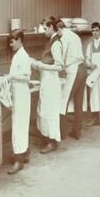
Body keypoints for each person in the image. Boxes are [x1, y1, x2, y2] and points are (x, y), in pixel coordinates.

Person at [31, 18, 64, 153]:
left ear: (51, 27)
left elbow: (59, 66)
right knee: (43, 110)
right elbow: (47, 62)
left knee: (50, 112)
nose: (44, 32)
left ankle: (52, 142)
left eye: (45, 29)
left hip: (51, 81)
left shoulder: (56, 44)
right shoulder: (50, 42)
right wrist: (36, 63)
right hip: (46, 80)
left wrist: (40, 65)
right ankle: (46, 138)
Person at [55, 19, 87, 139]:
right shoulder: (75, 35)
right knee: (78, 103)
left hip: (74, 71)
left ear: (59, 29)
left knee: (63, 103)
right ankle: (77, 132)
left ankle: (62, 134)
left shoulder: (63, 38)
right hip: (83, 69)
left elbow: (61, 60)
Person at [6, 29, 32, 174]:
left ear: (20, 40)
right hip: (18, 93)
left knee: (18, 126)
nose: (11, 44)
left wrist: (11, 76)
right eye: (10, 42)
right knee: (20, 125)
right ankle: (24, 154)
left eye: (13, 41)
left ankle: (19, 161)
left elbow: (27, 77)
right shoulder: (17, 55)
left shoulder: (23, 56)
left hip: (22, 93)